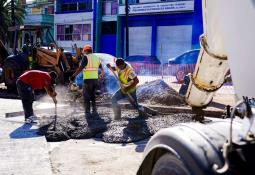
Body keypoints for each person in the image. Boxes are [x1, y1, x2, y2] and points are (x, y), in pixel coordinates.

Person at [70, 44, 104, 116]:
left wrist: (73, 76)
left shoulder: (85, 57)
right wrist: (101, 75)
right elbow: (101, 68)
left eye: (84, 51)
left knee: (86, 95)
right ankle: (94, 109)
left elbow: (80, 68)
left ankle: (87, 111)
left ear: (85, 51)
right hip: (95, 79)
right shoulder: (96, 57)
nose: (83, 53)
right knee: (92, 95)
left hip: (88, 79)